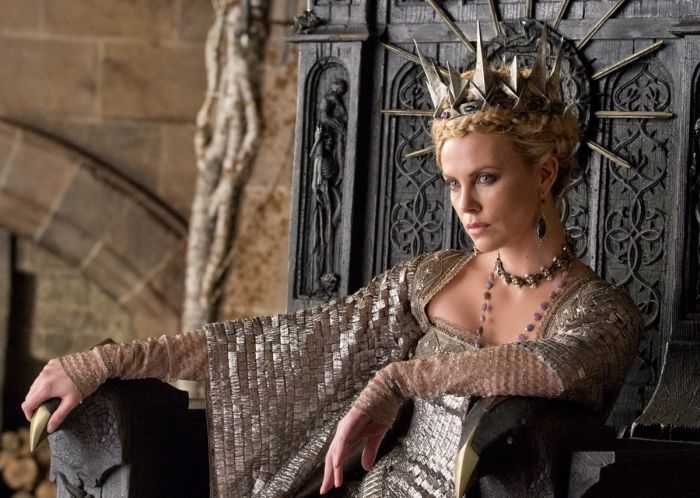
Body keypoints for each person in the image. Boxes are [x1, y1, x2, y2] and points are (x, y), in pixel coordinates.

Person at [21, 30, 643, 498]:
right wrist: (109, 361)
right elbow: (281, 344)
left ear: (544, 173)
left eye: (486, 178)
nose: (465, 205)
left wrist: (400, 380)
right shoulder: (433, 277)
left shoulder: (601, 312)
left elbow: (552, 366)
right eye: (453, 183)